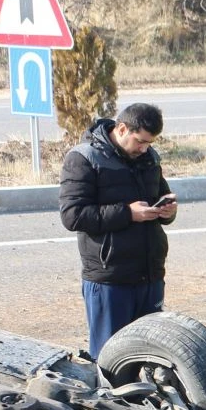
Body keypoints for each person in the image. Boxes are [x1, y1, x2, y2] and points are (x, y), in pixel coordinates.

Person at [59, 102, 175, 357]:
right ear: (122, 129)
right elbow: (72, 216)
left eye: (150, 143)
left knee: (150, 355)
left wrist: (167, 211)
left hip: (150, 275)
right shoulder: (83, 158)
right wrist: (128, 213)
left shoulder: (149, 157)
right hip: (110, 279)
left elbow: (160, 195)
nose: (144, 148)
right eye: (140, 141)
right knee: (109, 359)